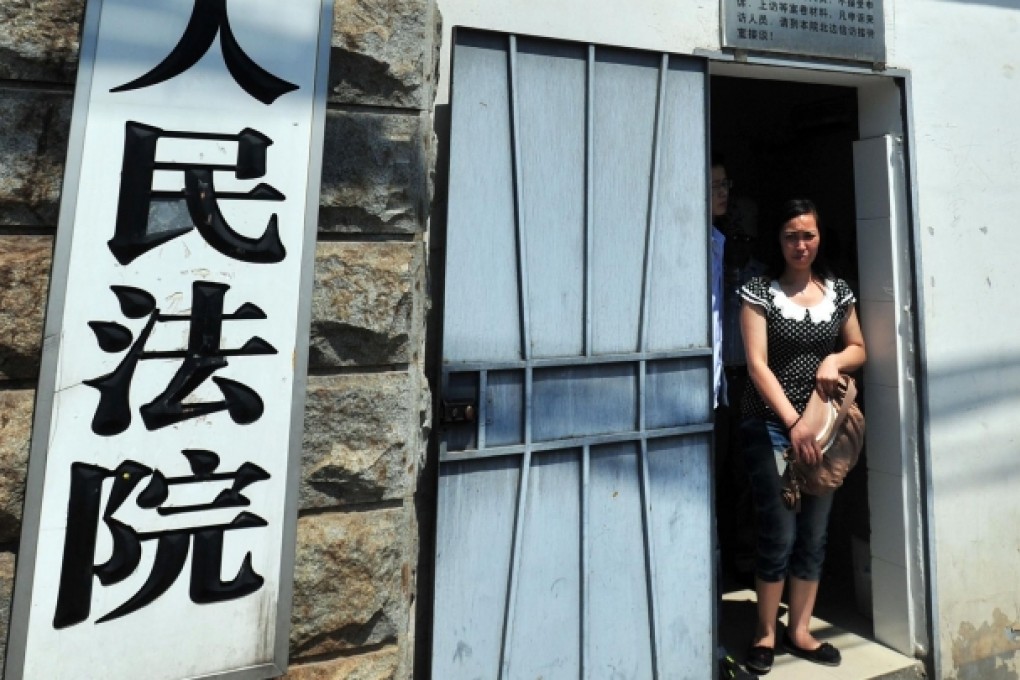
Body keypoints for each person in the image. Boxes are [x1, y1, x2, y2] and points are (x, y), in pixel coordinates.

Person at [738, 199, 866, 675]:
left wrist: (833, 361)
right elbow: (756, 365)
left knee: (814, 530)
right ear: (779, 239)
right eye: (791, 235)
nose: (800, 244)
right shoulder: (758, 291)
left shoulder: (838, 291)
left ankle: (801, 630)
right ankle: (765, 633)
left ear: (819, 238)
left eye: (808, 235)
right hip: (772, 426)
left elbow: (859, 347)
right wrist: (793, 425)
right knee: (780, 530)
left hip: (824, 430)